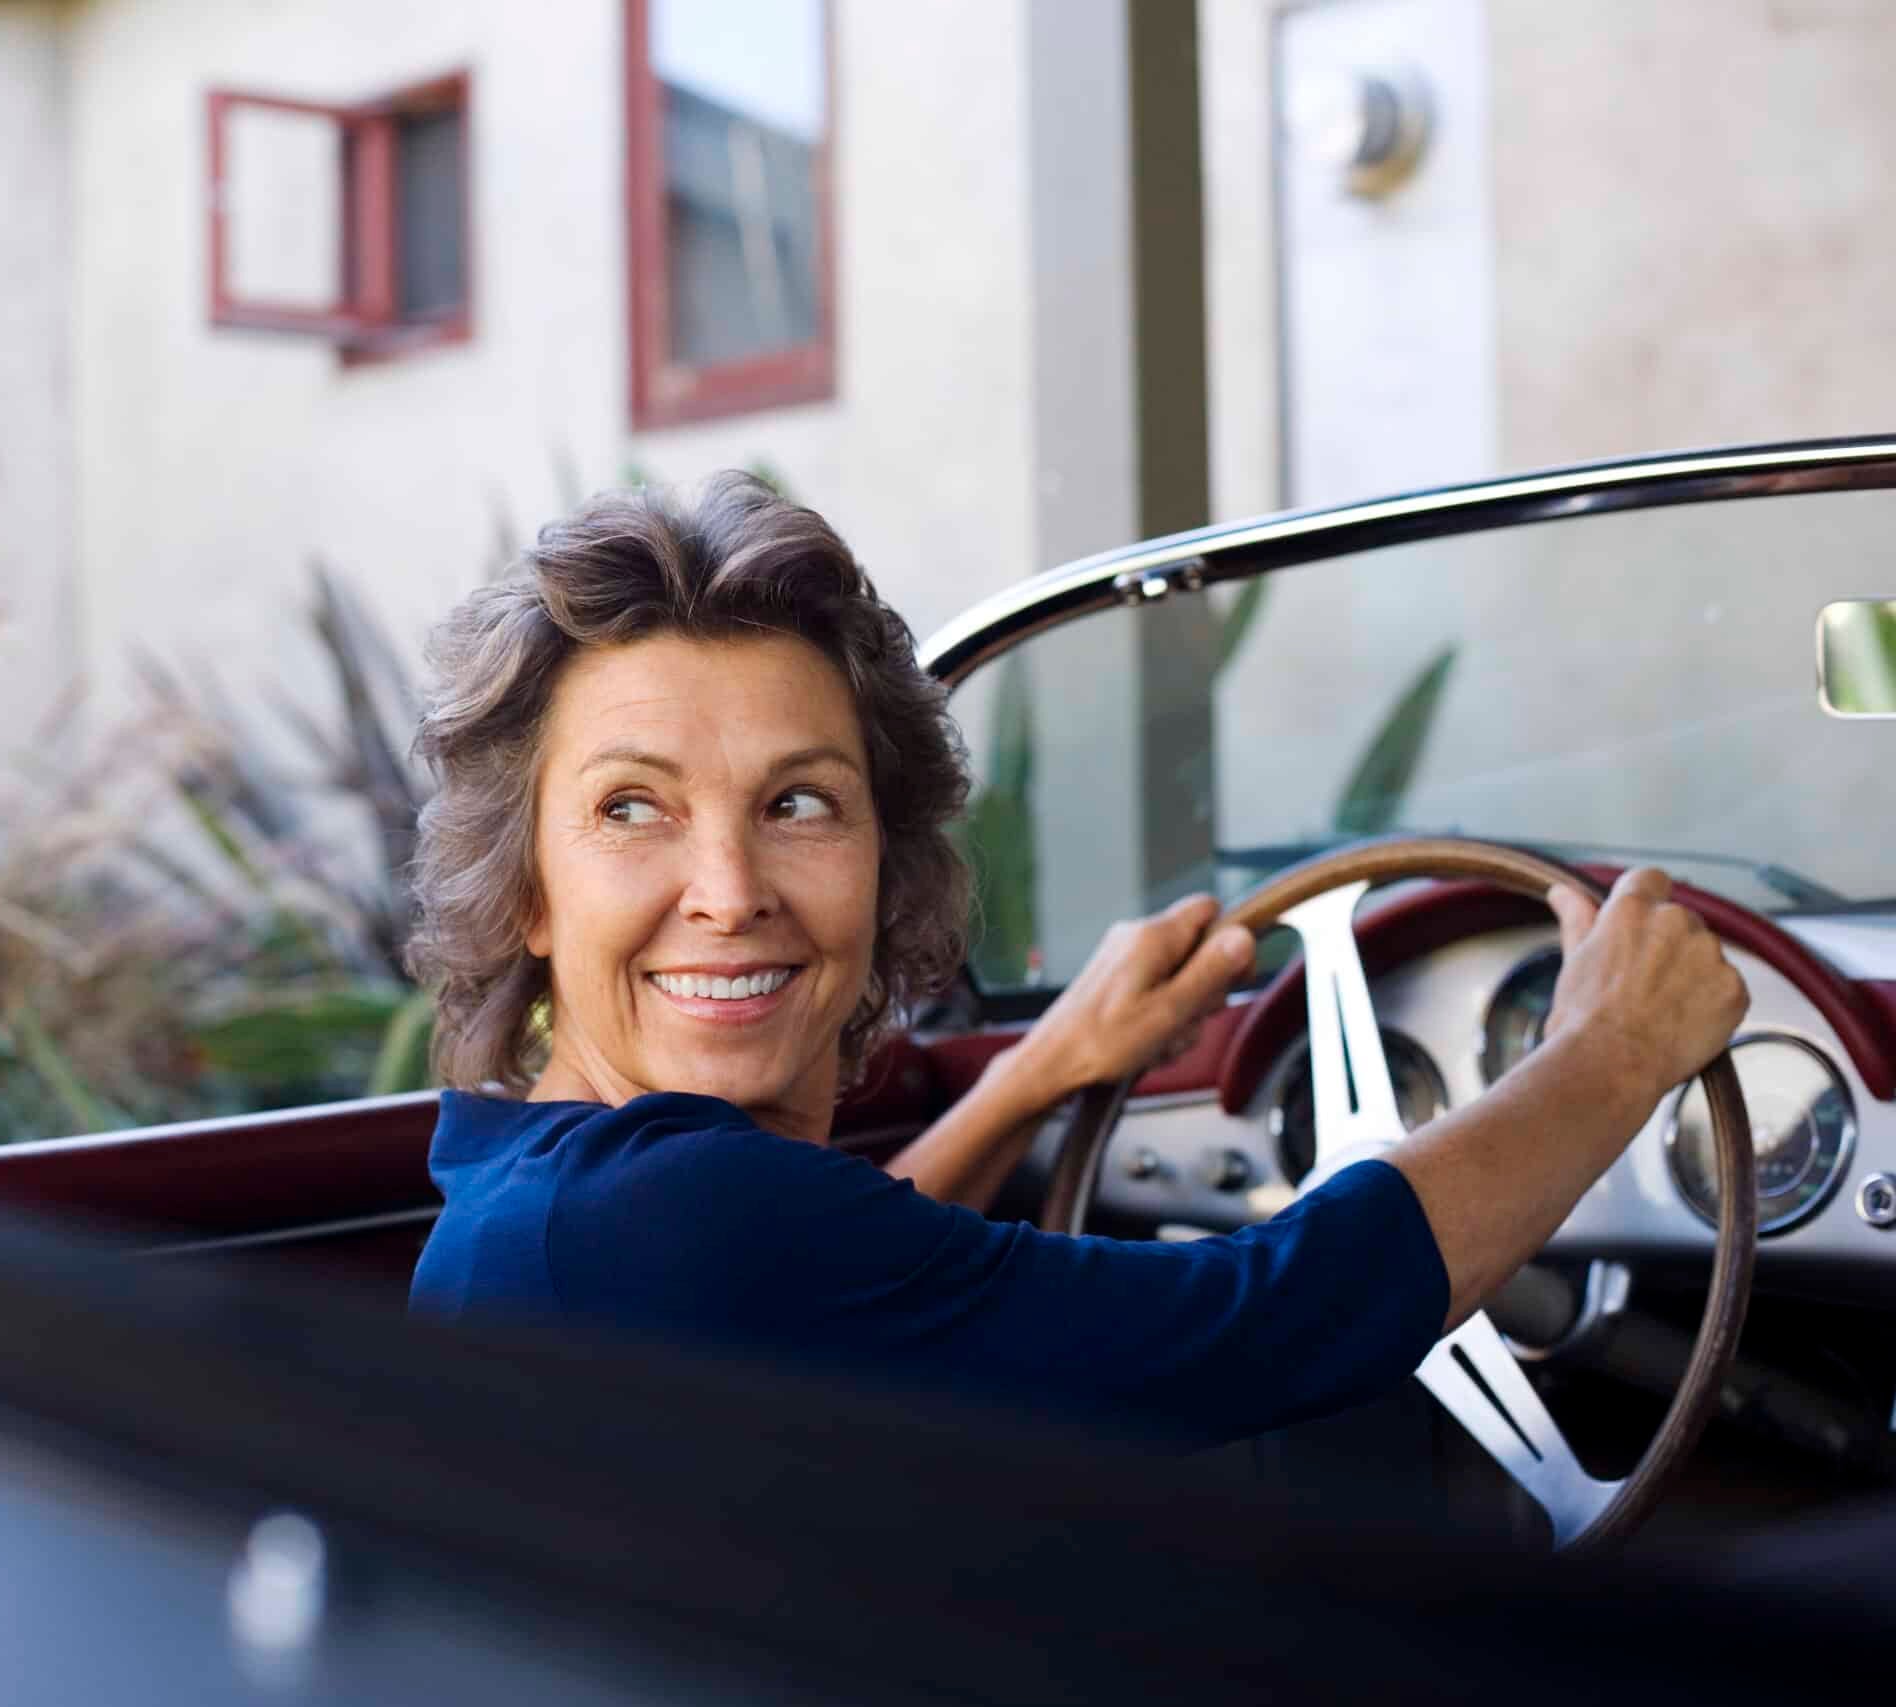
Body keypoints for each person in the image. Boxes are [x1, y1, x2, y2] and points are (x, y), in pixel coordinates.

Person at [404, 474, 1746, 1447]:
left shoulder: (536, 1190)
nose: (732, 892)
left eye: (798, 802)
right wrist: (1615, 1055)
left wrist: (1046, 1071)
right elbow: (1261, 1323)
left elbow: (862, 1283)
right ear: (524, 886)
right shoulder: (665, 1221)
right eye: (632, 809)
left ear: (885, 855)